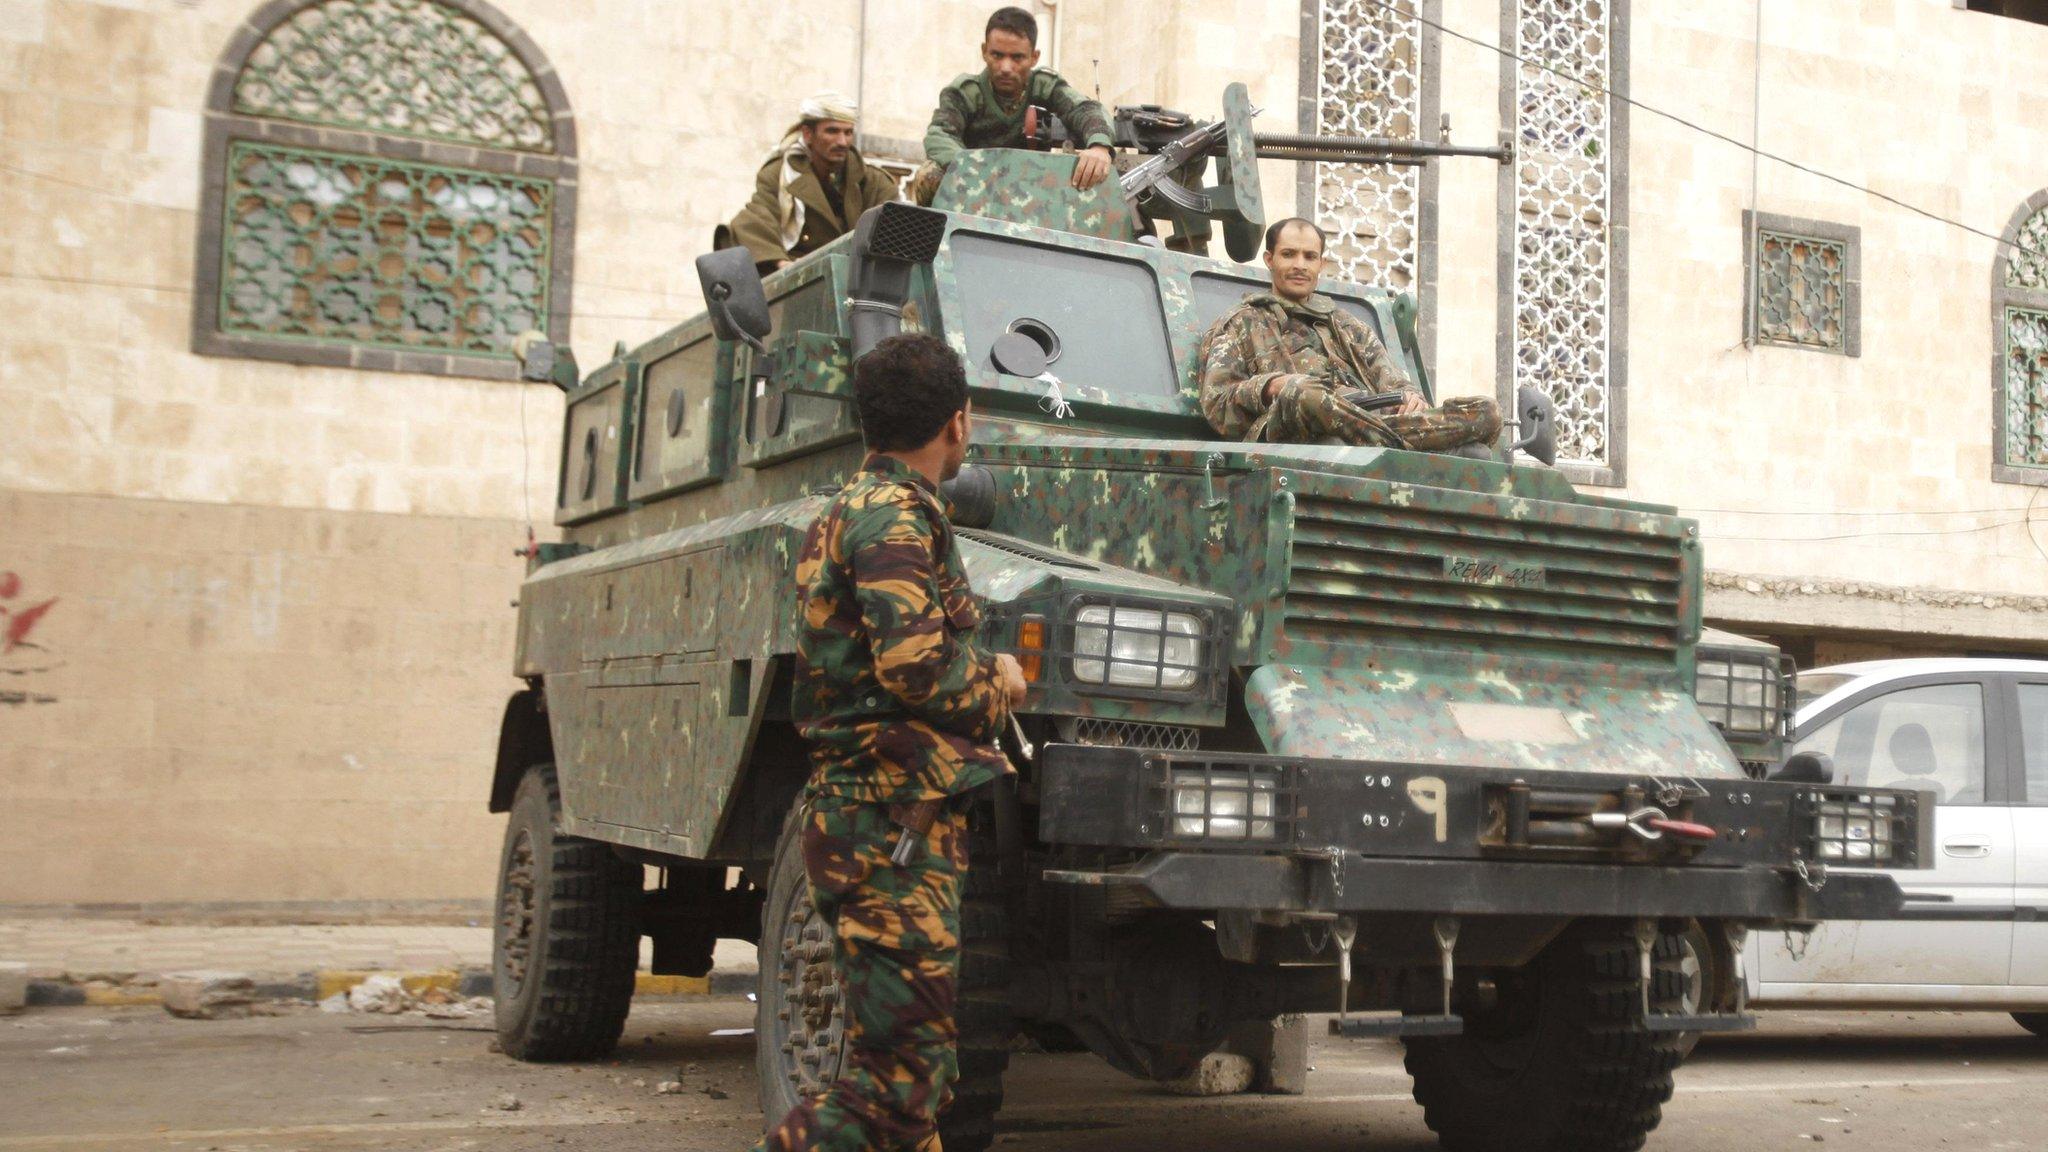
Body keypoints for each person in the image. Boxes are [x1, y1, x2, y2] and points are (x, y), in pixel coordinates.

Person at [757, 333, 1029, 1152]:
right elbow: (915, 668)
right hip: (883, 822)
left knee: (918, 1076)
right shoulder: (893, 518)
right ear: (959, 422)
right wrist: (999, 683)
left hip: (891, 815)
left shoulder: (869, 507)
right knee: (897, 1082)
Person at [1197, 217, 1502, 453]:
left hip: (1367, 419)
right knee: (1306, 393)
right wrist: (1271, 386)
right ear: (1269, 259)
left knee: (1488, 412)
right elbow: (1217, 404)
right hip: (1291, 430)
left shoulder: (1347, 326)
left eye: (1309, 256)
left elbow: (1393, 383)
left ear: (1321, 264)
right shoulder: (1240, 323)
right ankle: (1403, 450)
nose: (1299, 265)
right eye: (1289, 255)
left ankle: (1379, 445)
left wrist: (1411, 399)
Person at [911, 6, 1115, 204]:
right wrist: (972, 169)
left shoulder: (1044, 86)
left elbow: (1085, 108)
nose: (1006, 67)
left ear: (1034, 57)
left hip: (1030, 185)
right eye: (997, 55)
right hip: (971, 184)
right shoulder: (965, 92)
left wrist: (1099, 146)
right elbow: (940, 134)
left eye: (1017, 57)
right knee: (929, 174)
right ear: (984, 51)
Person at [728, 92, 902, 274]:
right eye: (832, 131)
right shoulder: (780, 174)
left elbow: (895, 228)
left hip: (856, 277)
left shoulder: (874, 181)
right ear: (808, 134)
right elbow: (757, 217)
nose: (842, 141)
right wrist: (783, 265)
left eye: (848, 132)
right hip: (803, 276)